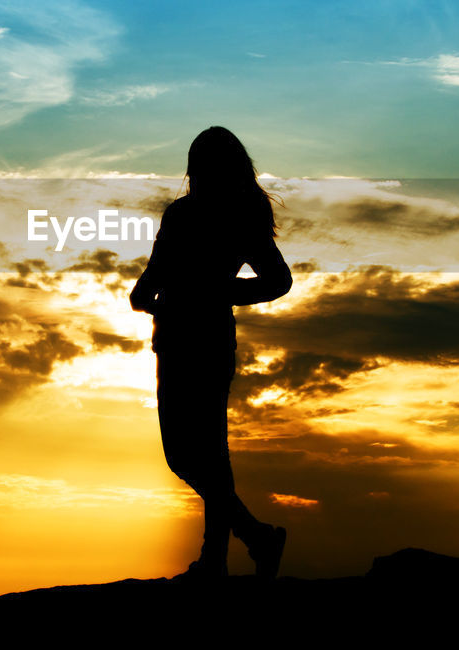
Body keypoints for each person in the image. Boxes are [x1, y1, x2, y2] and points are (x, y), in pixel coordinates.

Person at [129, 126, 292, 580]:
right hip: (204, 341)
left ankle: (254, 539)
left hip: (188, 344)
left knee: (183, 457)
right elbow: (152, 280)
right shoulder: (230, 217)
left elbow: (279, 280)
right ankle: (217, 559)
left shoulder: (189, 216)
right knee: (211, 458)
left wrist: (212, 292)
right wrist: (218, 292)